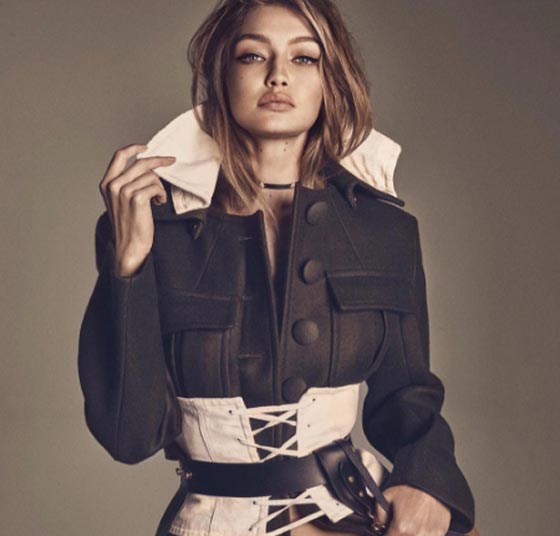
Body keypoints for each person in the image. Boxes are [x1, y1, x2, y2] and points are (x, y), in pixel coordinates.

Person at [77, 1, 477, 535]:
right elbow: (129, 437)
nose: (278, 75)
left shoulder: (385, 229)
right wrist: (128, 264)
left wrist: (428, 482)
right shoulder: (155, 225)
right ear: (222, 73)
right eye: (252, 55)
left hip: (351, 514)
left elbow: (408, 399)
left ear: (331, 79)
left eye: (304, 58)